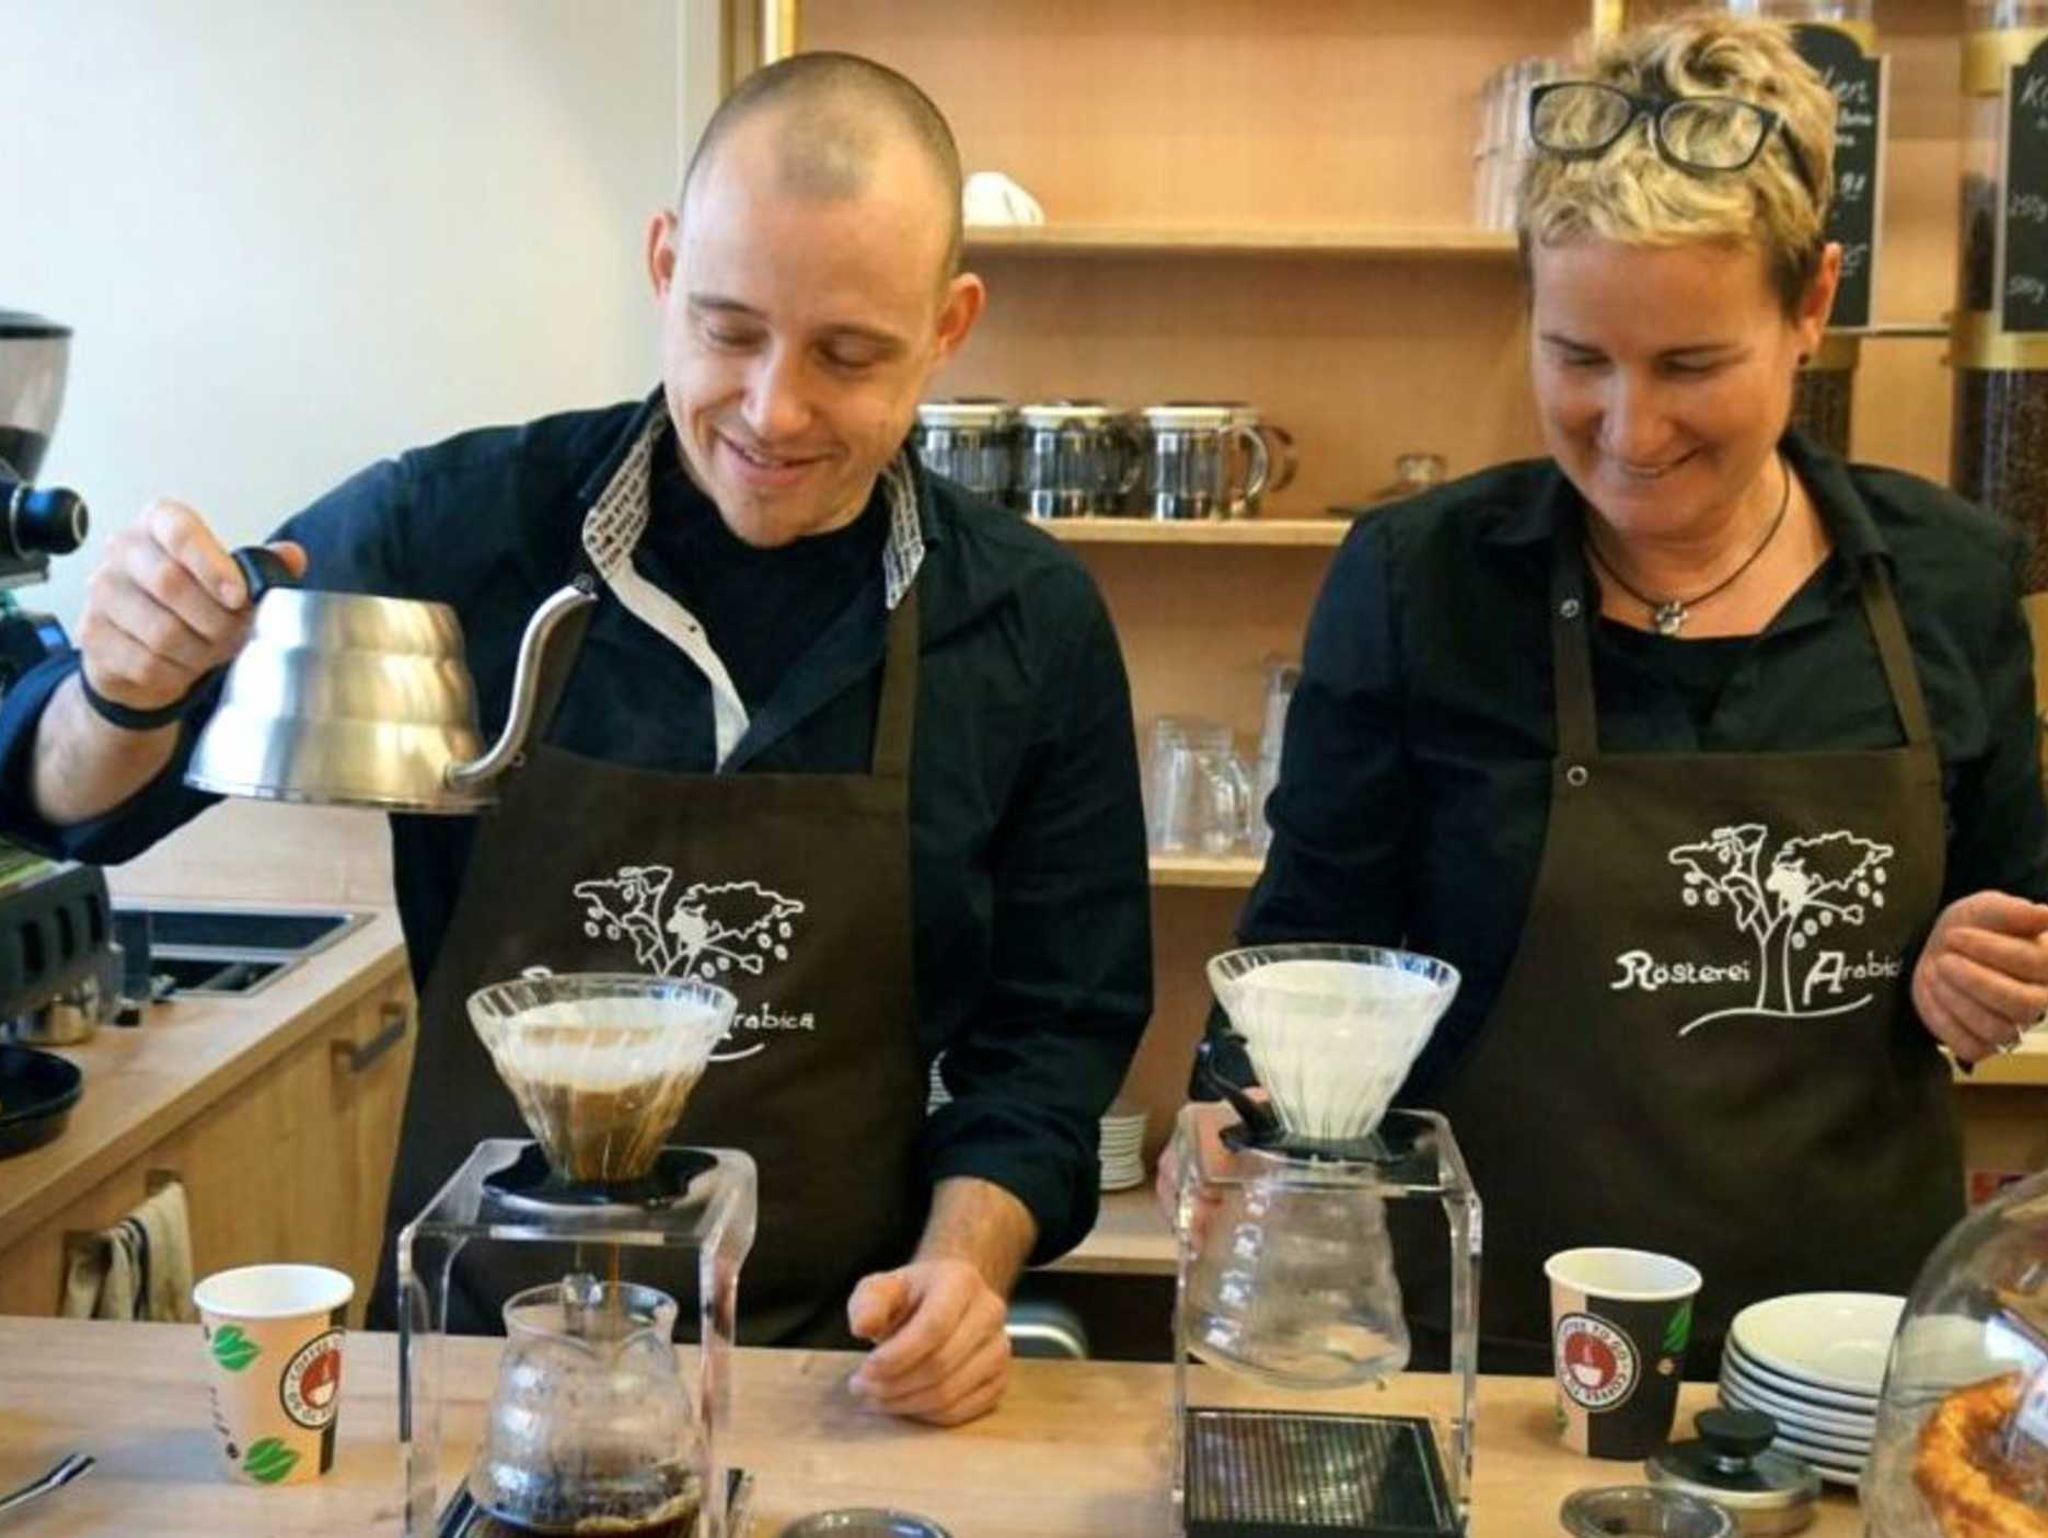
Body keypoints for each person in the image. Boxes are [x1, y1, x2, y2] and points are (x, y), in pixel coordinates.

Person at [0, 52, 1152, 1425]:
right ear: (664, 266)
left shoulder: (1028, 625)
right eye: (728, 331)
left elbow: (1053, 1035)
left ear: (948, 325)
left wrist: (963, 1269)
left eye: (847, 356)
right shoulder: (456, 533)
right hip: (477, 1370)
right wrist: (126, 683)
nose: (773, 410)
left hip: (840, 1373)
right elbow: (77, 803)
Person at [1168, 13, 2048, 1375]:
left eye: (1691, 364)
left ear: (1812, 304)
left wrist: (1985, 968)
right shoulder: (1423, 583)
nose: (1632, 431)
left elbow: (2015, 913)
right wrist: (1235, 1112)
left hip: (1844, 1357)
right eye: (1578, 358)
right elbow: (1308, 939)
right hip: (1497, 1347)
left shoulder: (1948, 578)